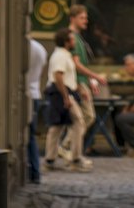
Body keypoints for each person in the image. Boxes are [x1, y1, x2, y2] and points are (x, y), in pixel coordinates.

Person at [43, 28, 92, 173]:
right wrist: (66, 97)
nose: (74, 41)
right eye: (72, 39)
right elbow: (58, 76)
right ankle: (75, 159)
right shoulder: (60, 56)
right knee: (78, 122)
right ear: (66, 42)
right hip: (61, 93)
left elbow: (68, 76)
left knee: (57, 126)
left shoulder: (64, 55)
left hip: (65, 92)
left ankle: (50, 159)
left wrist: (79, 90)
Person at [68, 4, 106, 131]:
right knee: (87, 116)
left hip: (82, 81)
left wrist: (90, 80)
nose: (86, 21)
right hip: (78, 82)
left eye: (86, 18)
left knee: (82, 117)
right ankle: (67, 145)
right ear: (72, 18)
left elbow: (81, 64)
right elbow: (76, 64)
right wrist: (96, 77)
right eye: (82, 18)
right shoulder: (72, 37)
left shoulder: (78, 37)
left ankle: (69, 145)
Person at [25, 35, 47, 183]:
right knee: (31, 135)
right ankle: (35, 171)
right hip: (35, 93)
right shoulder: (40, 48)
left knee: (27, 135)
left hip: (25, 93)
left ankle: (33, 171)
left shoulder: (24, 47)